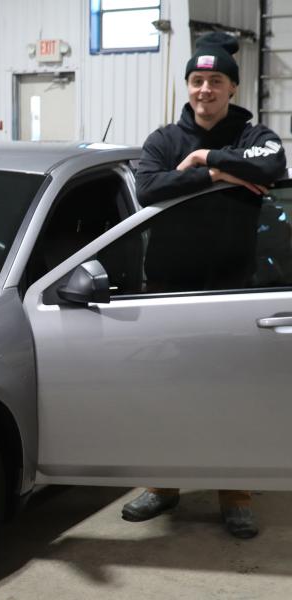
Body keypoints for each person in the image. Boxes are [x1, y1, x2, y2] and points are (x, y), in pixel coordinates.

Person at [122, 32, 287, 539]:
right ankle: (165, 484)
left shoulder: (254, 133)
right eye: (197, 80)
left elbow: (271, 166)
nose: (205, 90)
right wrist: (218, 174)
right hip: (170, 288)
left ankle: (235, 492)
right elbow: (148, 187)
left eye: (216, 81)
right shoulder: (162, 141)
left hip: (235, 288)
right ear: (188, 86)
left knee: (232, 394)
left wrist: (205, 159)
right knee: (166, 391)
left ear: (232, 88)